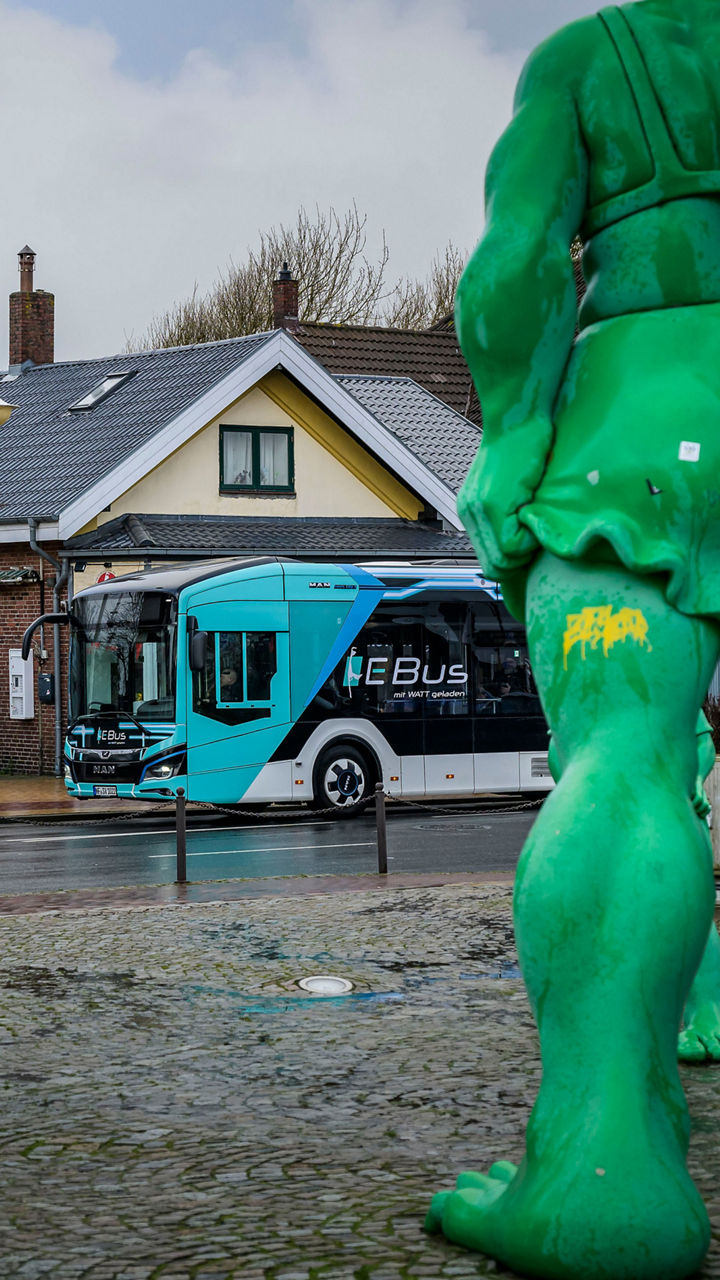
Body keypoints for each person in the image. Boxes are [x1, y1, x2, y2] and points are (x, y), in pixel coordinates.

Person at [426, 4, 720, 1277]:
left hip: (641, 424)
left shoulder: (596, 59)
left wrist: (509, 428)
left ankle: (604, 1170)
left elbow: (515, 266)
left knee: (624, 761)